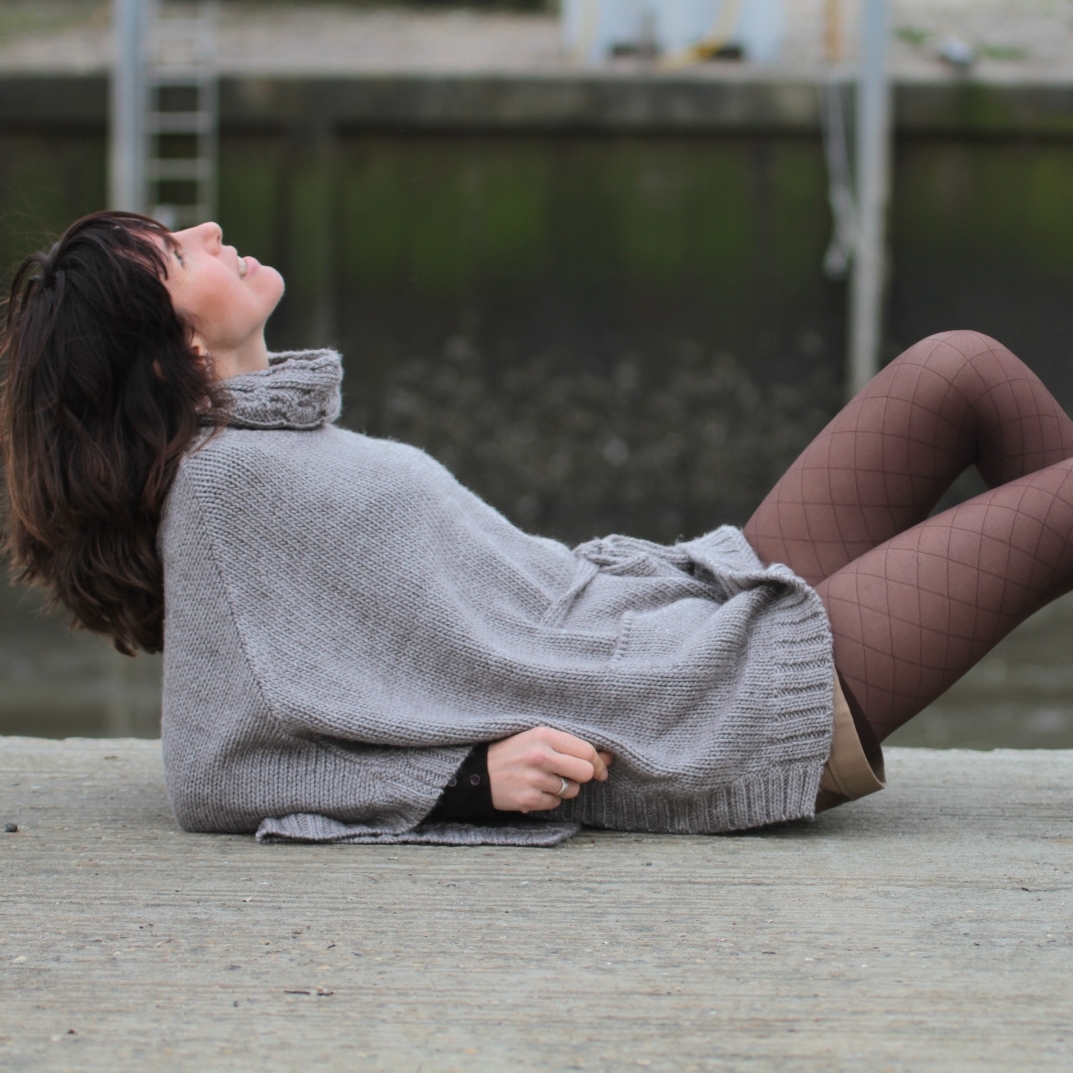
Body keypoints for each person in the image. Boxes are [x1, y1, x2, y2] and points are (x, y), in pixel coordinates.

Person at [3, 210, 1073, 847]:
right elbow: (209, 771)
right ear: (179, 351)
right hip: (688, 710)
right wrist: (467, 778)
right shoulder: (224, 491)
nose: (207, 231)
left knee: (959, 369)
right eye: (174, 251)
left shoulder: (265, 446)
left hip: (665, 612)